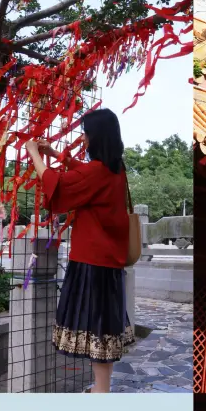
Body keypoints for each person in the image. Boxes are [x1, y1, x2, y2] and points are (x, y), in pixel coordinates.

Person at [25, 108, 134, 393]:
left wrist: (34, 153)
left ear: (95, 137)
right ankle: (102, 387)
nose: (83, 138)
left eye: (85, 133)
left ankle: (101, 391)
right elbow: (84, 176)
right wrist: (56, 154)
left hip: (91, 262)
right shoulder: (115, 169)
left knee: (96, 328)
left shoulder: (96, 173)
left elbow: (56, 186)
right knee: (104, 330)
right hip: (109, 263)